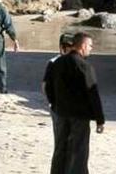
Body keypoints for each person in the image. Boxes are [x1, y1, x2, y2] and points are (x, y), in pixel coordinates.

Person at [46, 32, 105, 174]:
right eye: (90, 46)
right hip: (80, 115)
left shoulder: (57, 63)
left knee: (60, 148)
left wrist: (54, 104)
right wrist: (100, 119)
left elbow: (48, 87)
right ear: (83, 46)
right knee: (79, 150)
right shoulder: (85, 67)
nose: (91, 49)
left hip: (60, 112)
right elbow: (93, 94)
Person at [43, 34, 74, 174]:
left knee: (71, 144)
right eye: (67, 47)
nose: (69, 50)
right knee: (61, 143)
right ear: (61, 47)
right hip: (58, 109)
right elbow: (45, 86)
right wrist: (52, 103)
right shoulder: (53, 62)